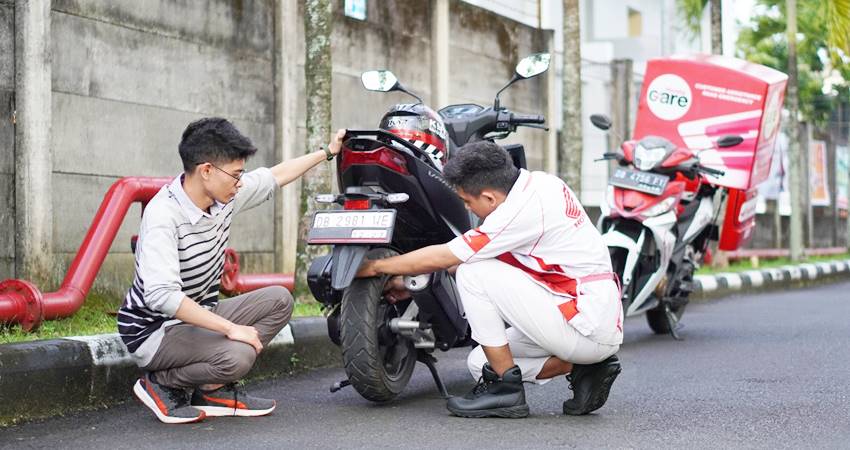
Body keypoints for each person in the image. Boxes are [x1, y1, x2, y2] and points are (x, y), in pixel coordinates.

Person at [357, 140, 623, 418]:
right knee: (481, 362)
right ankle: (585, 367)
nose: (468, 208)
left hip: (584, 325)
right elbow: (467, 258)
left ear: (489, 198)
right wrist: (410, 285)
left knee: (472, 274)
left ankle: (507, 391)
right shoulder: (541, 184)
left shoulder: (520, 212)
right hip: (580, 314)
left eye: (467, 201)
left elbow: (449, 256)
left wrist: (376, 267)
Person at [118, 117, 345, 424]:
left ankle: (212, 390)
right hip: (154, 331)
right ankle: (163, 383)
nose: (240, 183)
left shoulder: (223, 197)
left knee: (279, 300)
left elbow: (275, 175)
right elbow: (163, 297)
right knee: (239, 355)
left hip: (197, 315)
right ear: (206, 171)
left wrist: (328, 152)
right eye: (236, 175)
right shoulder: (163, 216)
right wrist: (230, 329)